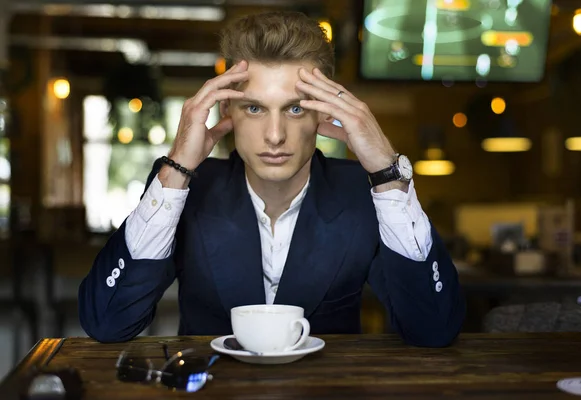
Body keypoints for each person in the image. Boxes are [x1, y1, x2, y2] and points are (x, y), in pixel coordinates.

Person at [78, 11, 465, 347]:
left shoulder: (364, 192)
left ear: (324, 114)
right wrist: (178, 165)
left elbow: (433, 329)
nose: (275, 135)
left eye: (295, 108)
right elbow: (108, 323)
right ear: (226, 109)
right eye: (254, 108)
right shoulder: (186, 188)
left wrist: (386, 171)